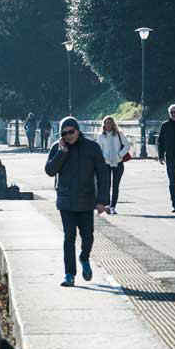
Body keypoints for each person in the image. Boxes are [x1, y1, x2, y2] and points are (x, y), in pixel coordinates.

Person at [45, 117, 109, 287]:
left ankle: (84, 258)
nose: (68, 136)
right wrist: (62, 152)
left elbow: (103, 174)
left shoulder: (92, 147)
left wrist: (102, 200)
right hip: (66, 201)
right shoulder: (57, 148)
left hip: (86, 200)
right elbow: (50, 171)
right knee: (69, 237)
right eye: (64, 133)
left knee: (88, 237)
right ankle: (69, 274)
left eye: (71, 132)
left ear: (78, 130)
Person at [97, 116, 130, 214]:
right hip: (106, 163)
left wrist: (120, 155)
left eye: (110, 123)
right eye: (106, 123)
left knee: (116, 186)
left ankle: (113, 206)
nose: (108, 125)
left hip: (118, 162)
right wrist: (103, 158)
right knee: (106, 185)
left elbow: (127, 145)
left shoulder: (119, 134)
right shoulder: (101, 136)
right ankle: (107, 205)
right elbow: (99, 149)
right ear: (104, 124)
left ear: (113, 124)